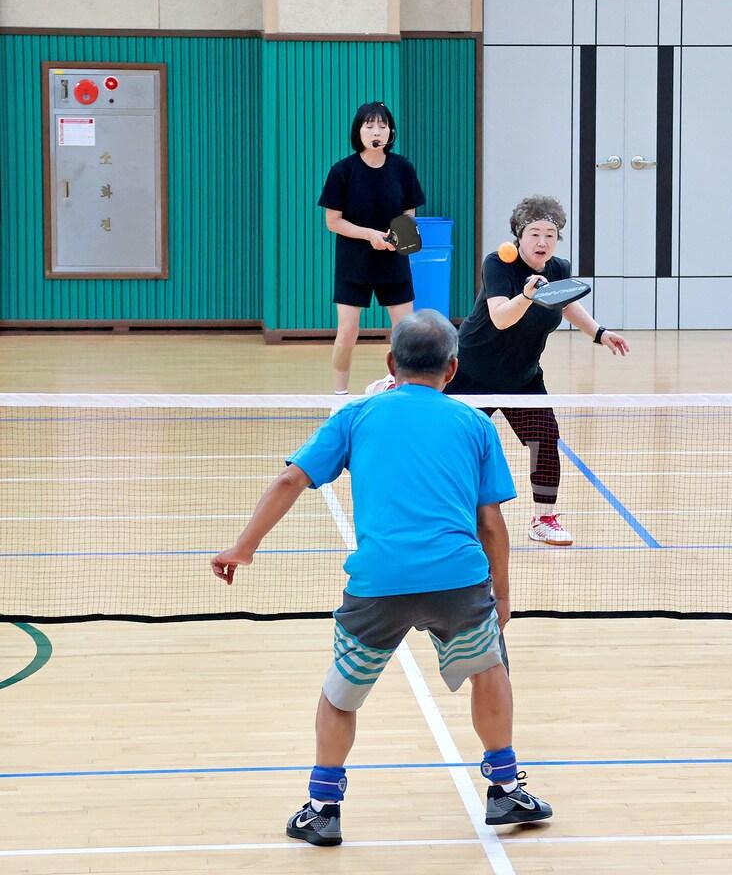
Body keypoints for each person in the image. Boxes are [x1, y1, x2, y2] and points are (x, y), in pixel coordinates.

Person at [210, 310, 553, 846]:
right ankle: (504, 789)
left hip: (378, 585)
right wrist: (502, 595)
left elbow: (290, 479)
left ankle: (323, 809)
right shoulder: (475, 424)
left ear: (392, 363)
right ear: (454, 369)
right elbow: (491, 523)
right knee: (490, 672)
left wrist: (242, 548)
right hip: (459, 583)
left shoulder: (357, 415)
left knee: (339, 697)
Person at [447, 195, 630, 547]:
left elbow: (566, 303)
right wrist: (527, 296)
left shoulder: (558, 268)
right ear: (519, 235)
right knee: (454, 446)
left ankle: (543, 519)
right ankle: (448, 516)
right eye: (534, 233)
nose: (543, 241)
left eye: (550, 234)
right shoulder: (498, 265)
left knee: (544, 439)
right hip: (471, 374)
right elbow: (500, 317)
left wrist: (600, 333)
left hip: (523, 377)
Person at [318, 101, 426, 394]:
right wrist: (370, 236)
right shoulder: (342, 171)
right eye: (369, 125)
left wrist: (397, 237)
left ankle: (402, 390)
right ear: (358, 131)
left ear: (391, 131)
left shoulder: (402, 168)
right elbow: (334, 222)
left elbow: (408, 214)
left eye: (382, 125)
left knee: (404, 333)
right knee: (347, 332)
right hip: (354, 261)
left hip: (393, 260)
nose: (376, 131)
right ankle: (339, 397)